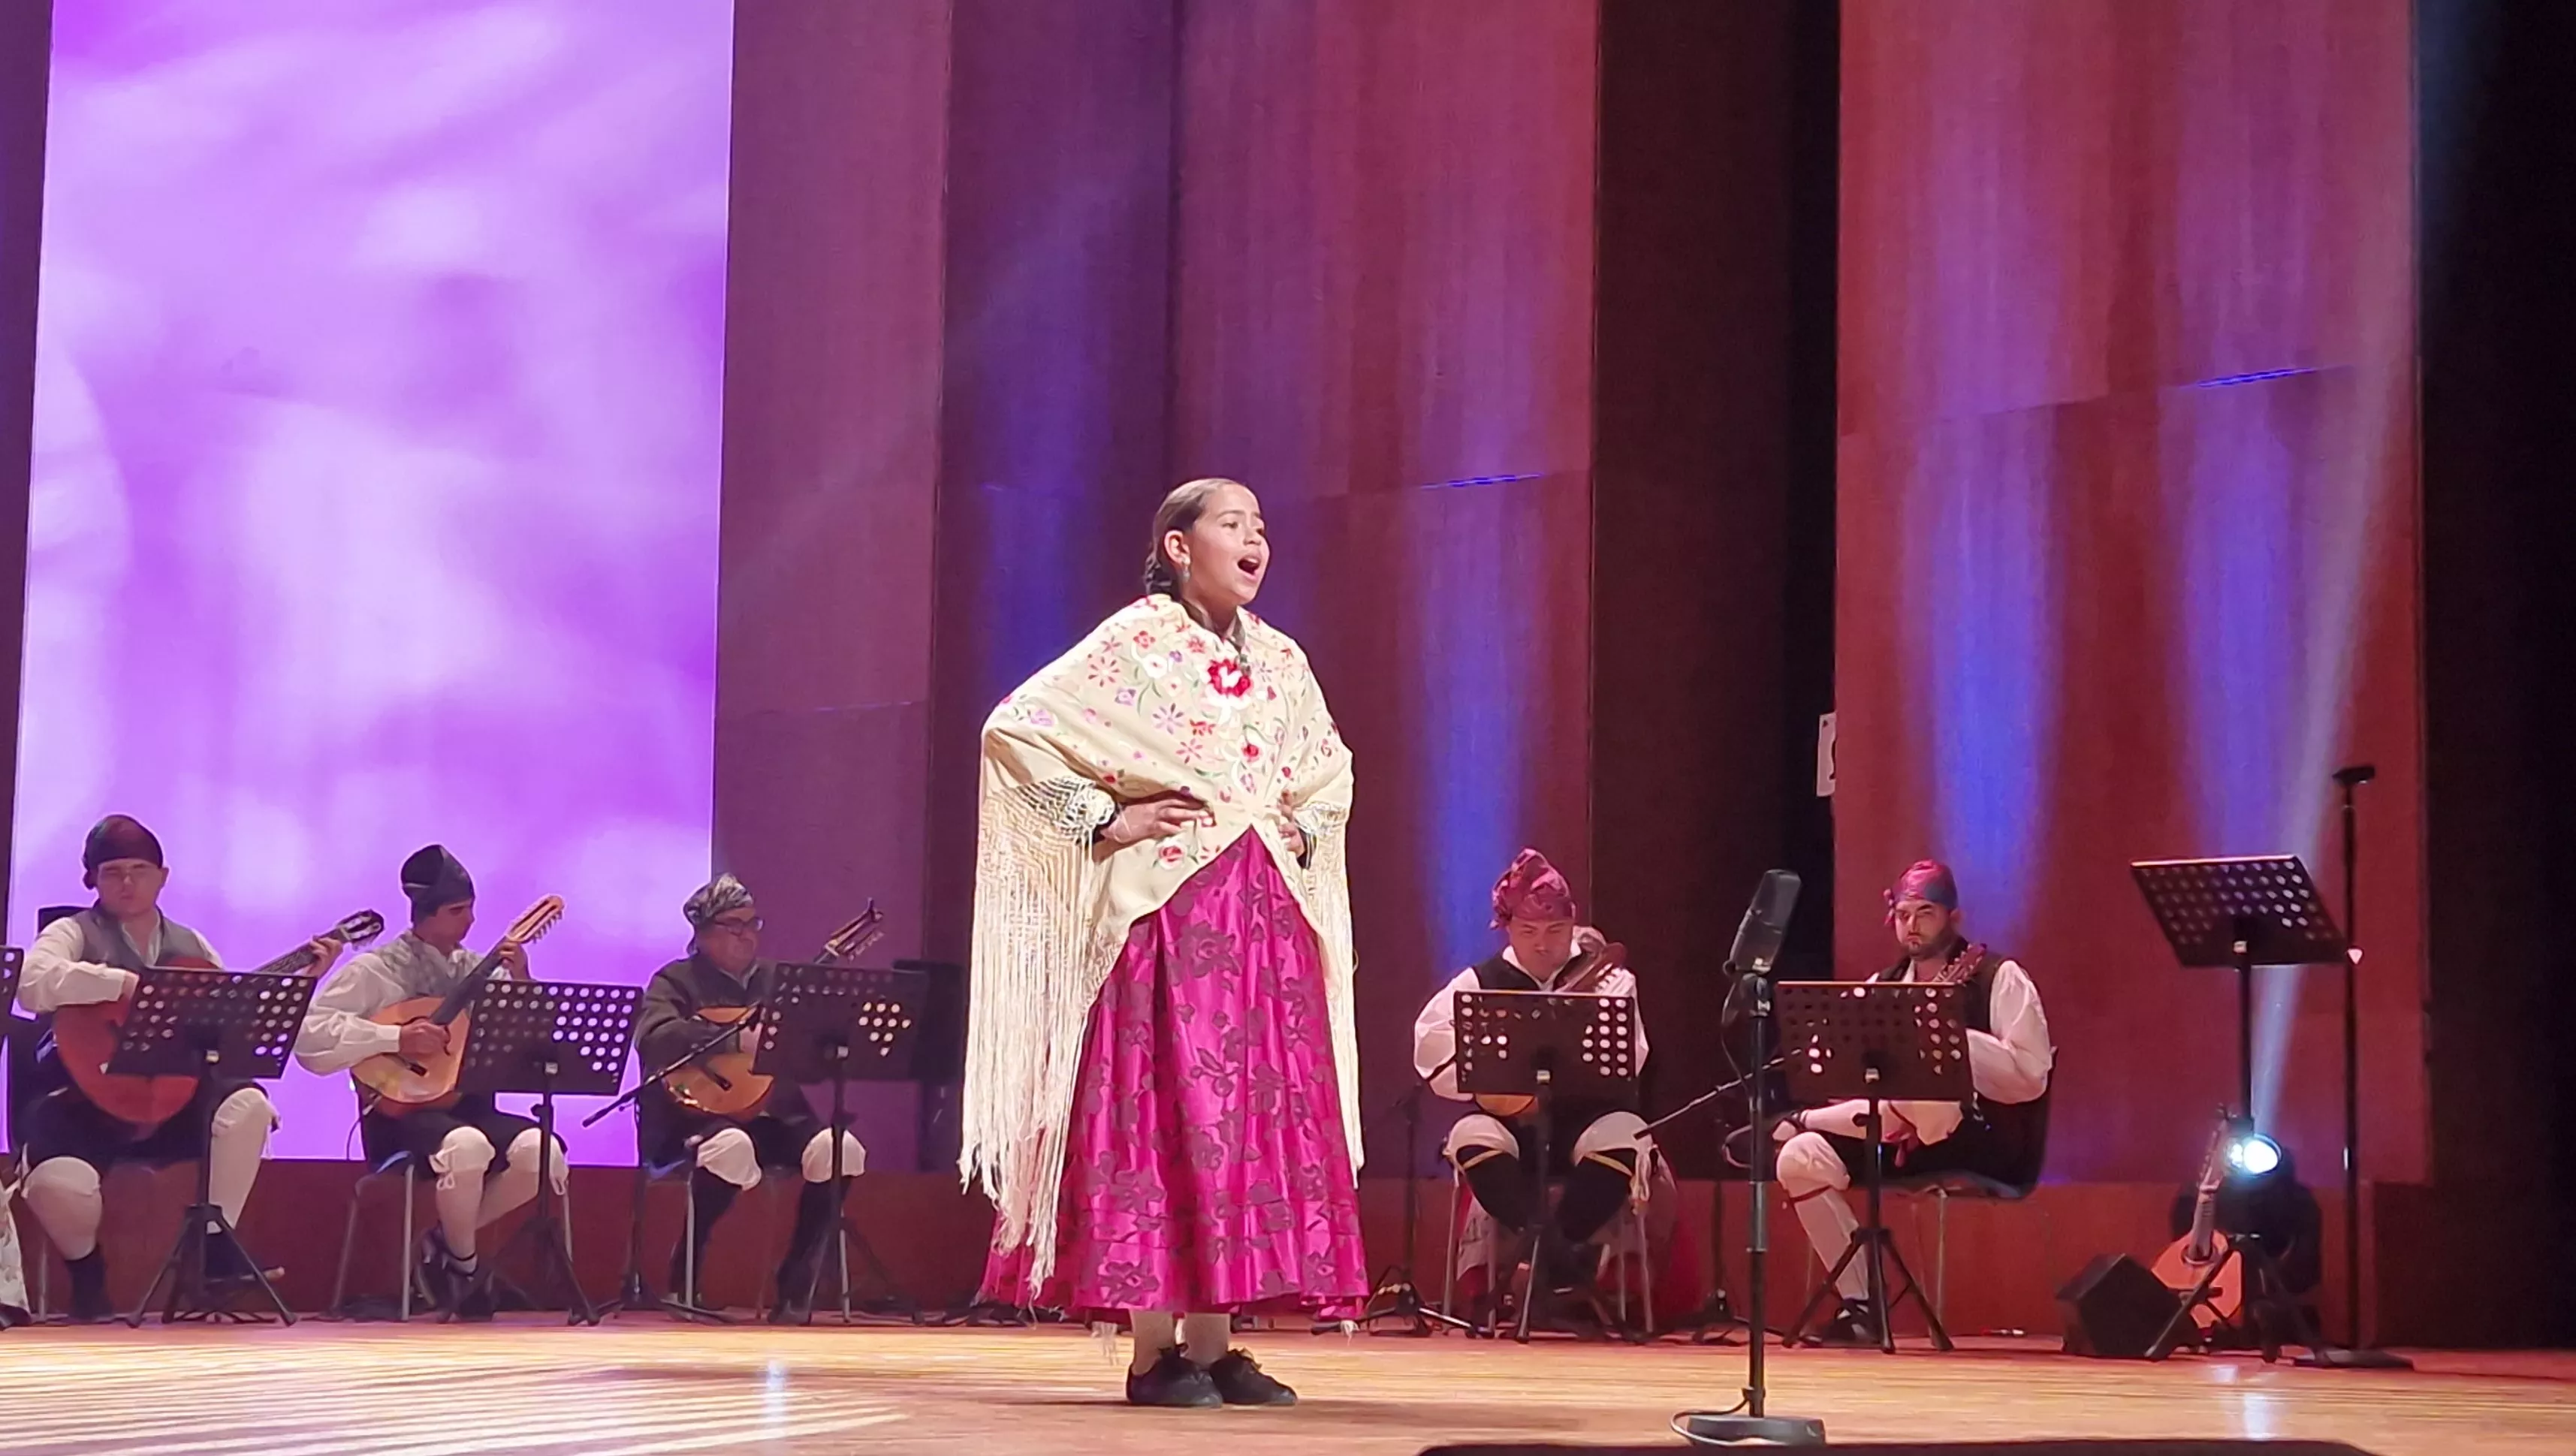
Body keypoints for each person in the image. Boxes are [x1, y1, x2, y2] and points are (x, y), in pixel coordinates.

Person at [965, 477, 1362, 1409]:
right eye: (1232, 523)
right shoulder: (1131, 645)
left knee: (1246, 1124)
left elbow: (1329, 767)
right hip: (1170, 920)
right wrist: (1104, 814)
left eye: (1262, 525)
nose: (1254, 538)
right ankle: (1154, 1352)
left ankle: (1219, 1345)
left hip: (1265, 923)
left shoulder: (1281, 658)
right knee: (1166, 1113)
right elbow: (1012, 732)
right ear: (1180, 547)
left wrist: (1303, 828)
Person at [17, 815, 339, 1321]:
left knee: (248, 1104)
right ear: (93, 880)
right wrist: (123, 984)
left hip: (172, 1101)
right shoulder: (71, 932)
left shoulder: (193, 944)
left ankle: (215, 1243)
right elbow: (34, 983)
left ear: (162, 876)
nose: (127, 882)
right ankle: (86, 1272)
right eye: (113, 872)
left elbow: (231, 1019)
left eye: (139, 870)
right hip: (87, 1102)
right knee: (59, 1184)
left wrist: (309, 977)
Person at [1775, 859, 2053, 1343]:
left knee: (1935, 1099)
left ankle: (1803, 1120)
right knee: (1799, 1158)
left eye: (1925, 913)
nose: (1913, 925)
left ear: (1954, 917)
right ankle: (1863, 1304)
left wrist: (1954, 1039)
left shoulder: (1998, 976)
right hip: (1888, 1136)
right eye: (1904, 914)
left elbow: (2032, 1078)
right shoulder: (1883, 986)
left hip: (1973, 1138)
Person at [294, 844, 561, 1319]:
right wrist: (393, 1037)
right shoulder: (375, 971)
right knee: (467, 1148)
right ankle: (464, 1267)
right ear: (425, 915)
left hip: (470, 1106)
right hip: (399, 1118)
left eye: (472, 909)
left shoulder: (477, 971)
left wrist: (522, 980)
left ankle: (442, 1243)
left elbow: (529, 1044)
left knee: (545, 1155)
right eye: (459, 911)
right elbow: (310, 1037)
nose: (471, 922)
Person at [1413, 849, 1654, 1311]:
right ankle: (1561, 1259)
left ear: (1572, 925)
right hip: (1513, 1126)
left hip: (1586, 1119)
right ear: (1507, 930)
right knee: (1471, 1134)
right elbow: (1431, 1049)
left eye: (1555, 931)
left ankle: (1546, 1254)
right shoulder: (1477, 982)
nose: (1543, 944)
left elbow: (1633, 1054)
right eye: (1528, 932)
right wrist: (1497, 1094)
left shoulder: (1608, 979)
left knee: (1627, 1135)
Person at [632, 873, 867, 1322]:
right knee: (730, 1149)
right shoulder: (674, 981)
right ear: (701, 935)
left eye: (752, 923)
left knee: (841, 1151)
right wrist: (731, 1040)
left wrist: (815, 1046)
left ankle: (797, 1280)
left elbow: (810, 1065)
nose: (746, 934)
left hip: (776, 1117)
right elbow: (654, 1038)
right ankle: (687, 1273)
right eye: (732, 925)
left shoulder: (777, 980)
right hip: (693, 1118)